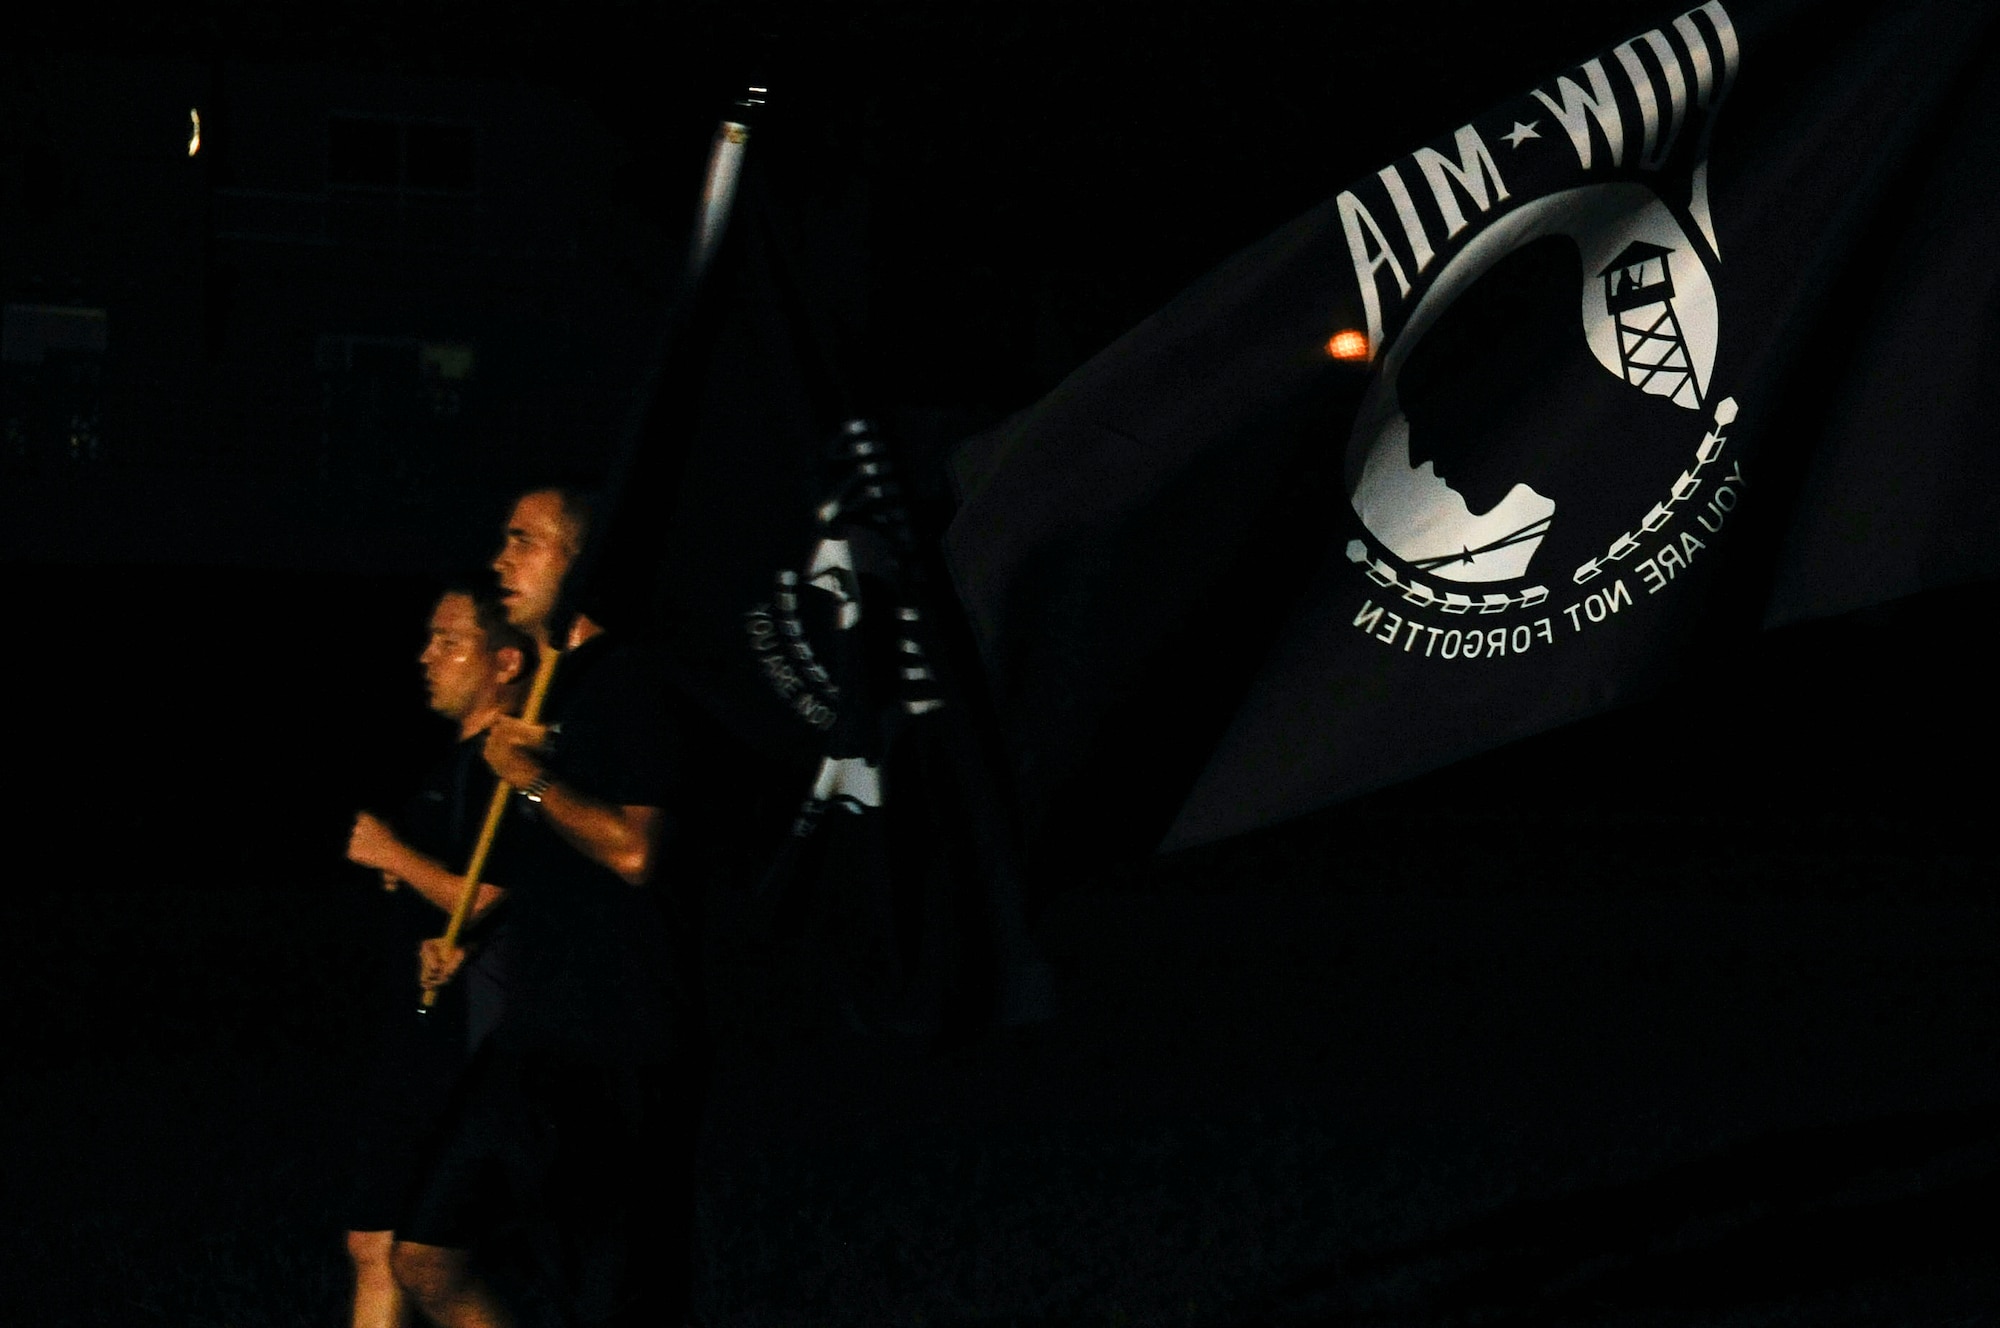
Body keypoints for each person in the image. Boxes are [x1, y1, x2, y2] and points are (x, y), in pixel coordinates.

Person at [430, 486, 706, 1327]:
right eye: (503, 541)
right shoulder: (549, 693)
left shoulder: (629, 682)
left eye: (525, 543)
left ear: (580, 562)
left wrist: (539, 784)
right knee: (422, 1251)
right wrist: (467, 938)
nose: (501, 561)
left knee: (609, 1292)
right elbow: (535, 880)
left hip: (617, 1044)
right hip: (538, 1034)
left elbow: (632, 850)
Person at [340, 584, 532, 1328]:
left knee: (411, 1251)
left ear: (505, 661)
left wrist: (391, 853)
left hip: (465, 1037)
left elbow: (493, 896)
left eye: (450, 641)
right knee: (382, 1245)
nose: (428, 656)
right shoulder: (454, 768)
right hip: (422, 1028)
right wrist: (410, 869)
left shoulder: (504, 764)